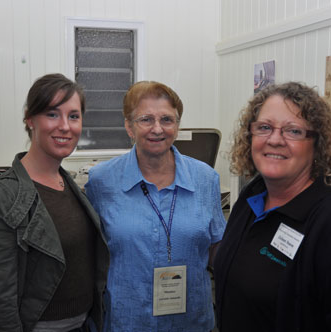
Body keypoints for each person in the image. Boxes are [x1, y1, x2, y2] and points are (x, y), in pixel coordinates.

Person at [213, 82, 331, 331]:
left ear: (318, 144)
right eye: (264, 127)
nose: (275, 140)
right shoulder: (251, 196)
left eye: (293, 131)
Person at [0, 73, 109, 332]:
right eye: (52, 114)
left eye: (74, 116)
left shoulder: (71, 187)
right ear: (30, 119)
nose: (65, 126)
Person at [84, 81, 226, 331]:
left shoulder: (205, 179)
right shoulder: (101, 181)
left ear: (177, 125)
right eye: (146, 119)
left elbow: (218, 248)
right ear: (129, 126)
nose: (157, 129)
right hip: (127, 321)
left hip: (191, 321)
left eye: (167, 119)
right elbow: (89, 254)